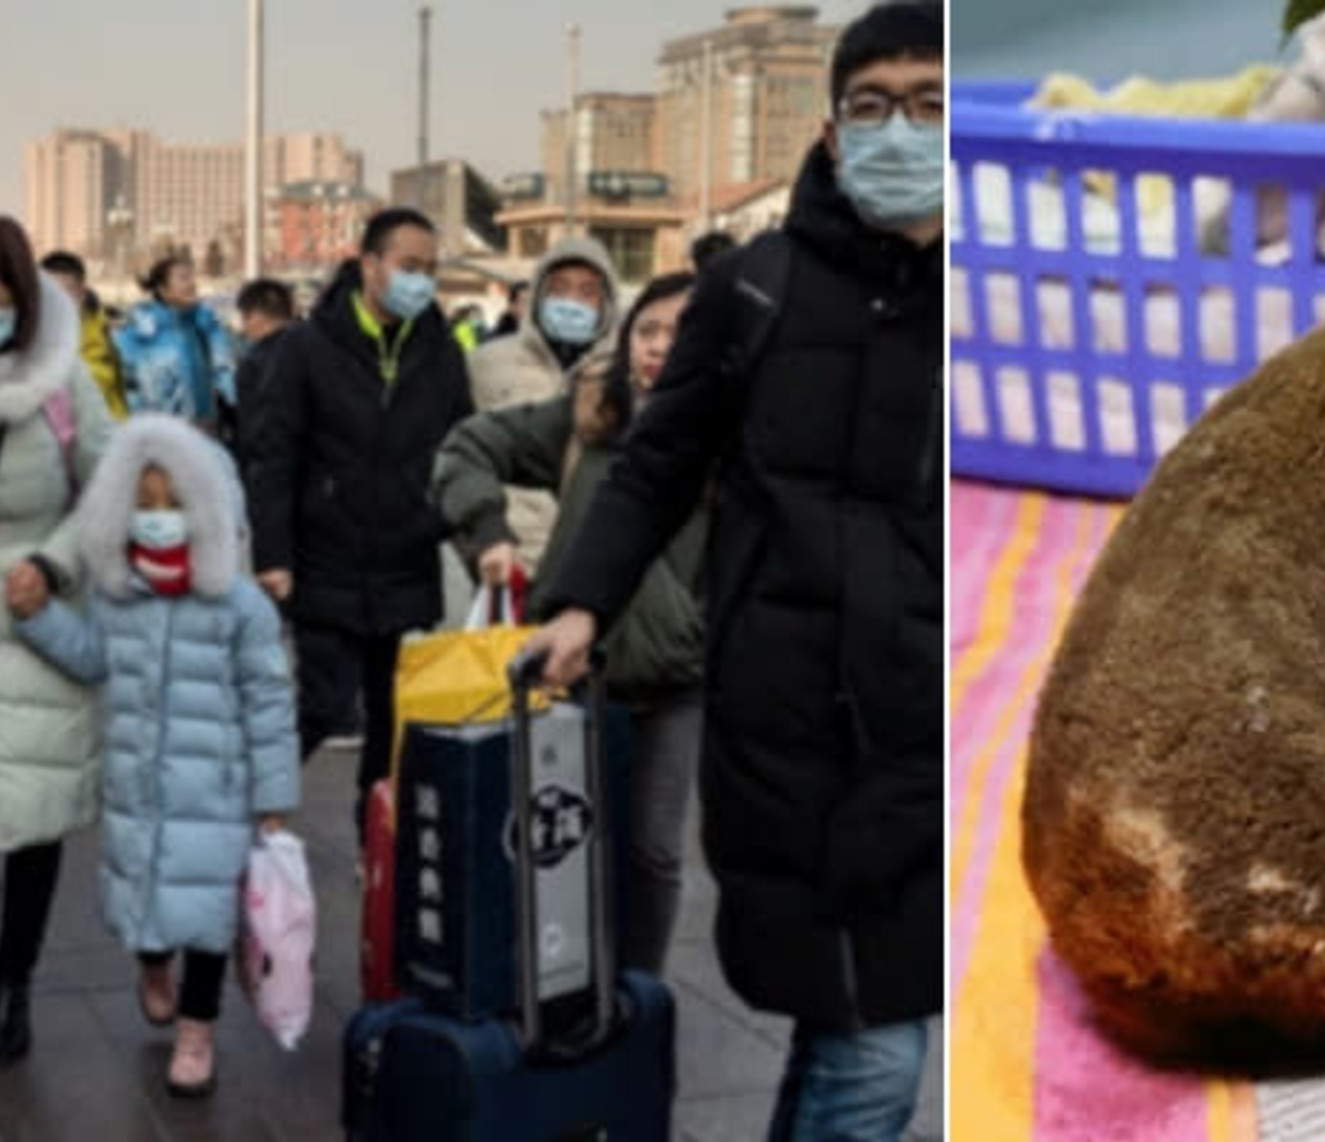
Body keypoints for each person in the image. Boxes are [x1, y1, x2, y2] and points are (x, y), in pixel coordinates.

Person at [523, 4, 943, 1138]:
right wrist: (579, 603)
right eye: (873, 105)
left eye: (930, 103)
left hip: (932, 724)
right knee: (876, 1044)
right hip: (785, 718)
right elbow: (656, 463)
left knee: (849, 1022)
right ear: (829, 128)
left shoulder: (985, 297)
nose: (900, 128)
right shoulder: (754, 288)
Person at [8, 413, 297, 1099]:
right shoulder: (117, 597)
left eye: (175, 504)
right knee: (141, 898)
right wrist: (38, 620)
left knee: (207, 917)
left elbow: (269, 698)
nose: (159, 518)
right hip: (137, 785)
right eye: (144, 504)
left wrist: (275, 794)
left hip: (217, 791)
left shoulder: (240, 605)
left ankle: (197, 1031)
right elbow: (89, 659)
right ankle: (150, 963)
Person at [434, 271, 702, 974]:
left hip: (678, 680)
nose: (659, 348)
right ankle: (555, 978)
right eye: (647, 330)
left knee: (652, 849)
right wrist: (486, 531)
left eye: (680, 333)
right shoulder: (590, 418)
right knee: (558, 840)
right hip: (569, 672)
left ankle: (641, 989)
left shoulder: (740, 432)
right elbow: (465, 448)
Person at [241, 207, 473, 840]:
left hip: (405, 559)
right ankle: (253, 809)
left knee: (391, 718)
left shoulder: (443, 355)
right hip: (325, 557)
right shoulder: (308, 348)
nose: (420, 281)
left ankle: (377, 843)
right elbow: (273, 456)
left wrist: (480, 546)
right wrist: (272, 554)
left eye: (431, 269)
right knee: (323, 702)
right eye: (408, 266)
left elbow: (463, 456)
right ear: (369, 265)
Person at [0, 215, 115, 1063]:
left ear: (20, 306)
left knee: (37, 813)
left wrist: (52, 566)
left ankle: (16, 978)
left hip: (33, 618)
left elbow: (109, 492)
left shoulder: (62, 382)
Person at [465, 236, 621, 576]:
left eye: (586, 292)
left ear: (605, 303)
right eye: (559, 289)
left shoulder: (625, 372)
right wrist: (477, 546)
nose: (571, 301)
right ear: (538, 296)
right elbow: (459, 459)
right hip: (512, 566)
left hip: (597, 571)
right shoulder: (486, 363)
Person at [113, 256, 236, 430]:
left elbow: (225, 372)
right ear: (163, 289)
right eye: (183, 278)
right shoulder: (138, 332)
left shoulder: (207, 324)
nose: (192, 284)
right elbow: (124, 384)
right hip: (156, 434)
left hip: (203, 430)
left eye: (192, 277)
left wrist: (233, 408)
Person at [40, 251, 128, 420]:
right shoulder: (28, 335)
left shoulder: (97, 331)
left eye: (66, 293)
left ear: (81, 295)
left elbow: (102, 380)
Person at [223, 278, 296, 461]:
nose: (244, 327)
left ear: (257, 316)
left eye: (244, 318)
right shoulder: (318, 347)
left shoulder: (254, 364)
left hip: (275, 471)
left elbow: (253, 433)